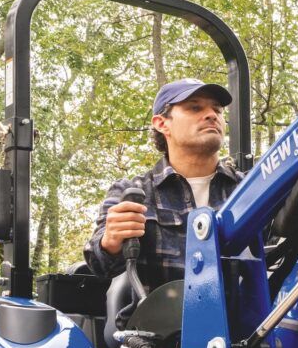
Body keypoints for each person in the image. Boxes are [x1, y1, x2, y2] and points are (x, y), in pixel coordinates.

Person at [85, 78, 236, 287]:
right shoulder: (133, 193)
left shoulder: (250, 188)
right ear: (162, 123)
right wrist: (110, 241)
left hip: (259, 319)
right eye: (195, 108)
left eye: (218, 110)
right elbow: (99, 265)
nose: (212, 115)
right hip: (159, 318)